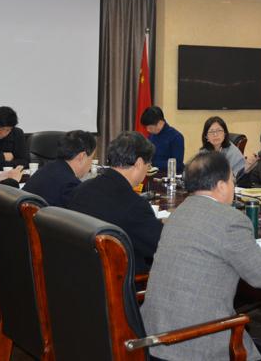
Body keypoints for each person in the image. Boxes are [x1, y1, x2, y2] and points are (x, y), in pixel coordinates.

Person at [140, 151, 261, 361]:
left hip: (152, 339)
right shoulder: (231, 220)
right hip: (196, 344)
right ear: (222, 186)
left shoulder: (179, 211)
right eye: (233, 181)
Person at [69, 131, 162, 274]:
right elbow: (162, 246)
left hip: (80, 273)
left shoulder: (81, 189)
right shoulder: (134, 205)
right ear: (139, 163)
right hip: (116, 280)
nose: (146, 171)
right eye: (148, 166)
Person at [23, 130, 96, 207]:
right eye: (91, 158)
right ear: (82, 156)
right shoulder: (70, 185)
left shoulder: (47, 168)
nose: (91, 163)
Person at [141, 106, 184, 174]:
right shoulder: (152, 136)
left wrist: (153, 164)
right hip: (152, 176)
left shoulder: (176, 137)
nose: (148, 130)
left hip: (169, 177)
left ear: (160, 123)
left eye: (150, 127)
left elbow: (177, 164)